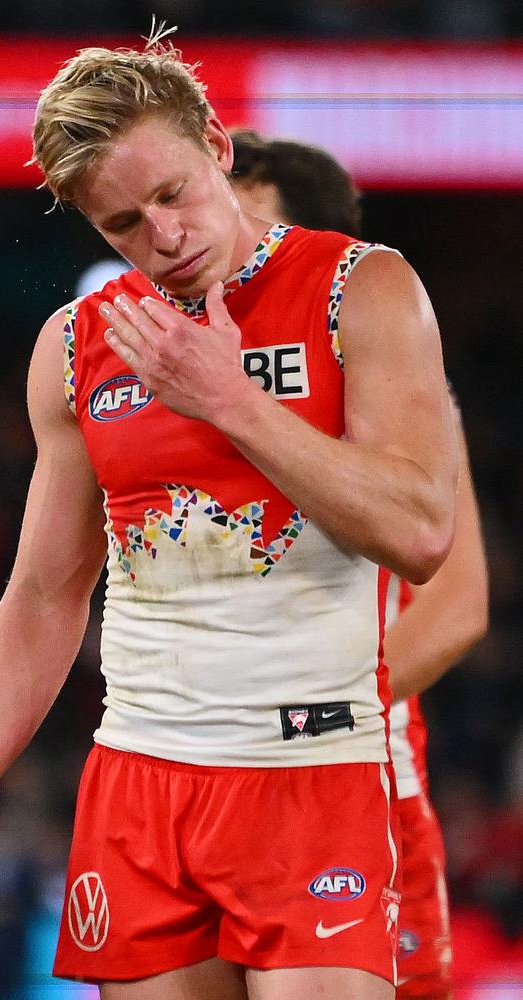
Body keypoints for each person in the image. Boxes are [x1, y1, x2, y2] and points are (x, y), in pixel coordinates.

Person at [0, 28, 458, 1000]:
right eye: (121, 224)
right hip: (141, 785)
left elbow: (417, 532)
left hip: (311, 774)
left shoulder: (358, 287)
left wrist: (231, 401)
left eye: (172, 194)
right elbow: (41, 595)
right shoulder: (77, 346)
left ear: (218, 147)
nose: (163, 237)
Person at [230, 129, 489, 999]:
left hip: (357, 788)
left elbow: (455, 609)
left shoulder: (399, 397)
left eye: (252, 233)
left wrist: (302, 724)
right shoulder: (202, 391)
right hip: (207, 789)